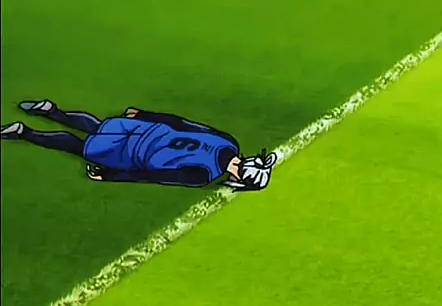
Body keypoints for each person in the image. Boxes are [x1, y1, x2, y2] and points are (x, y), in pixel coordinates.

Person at [1, 100, 277, 191]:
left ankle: (52, 111)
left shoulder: (229, 141)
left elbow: (183, 123)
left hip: (150, 129)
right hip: (136, 154)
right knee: (79, 146)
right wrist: (112, 175)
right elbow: (153, 176)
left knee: (97, 126)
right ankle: (24, 133)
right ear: (240, 179)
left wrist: (145, 115)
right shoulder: (203, 176)